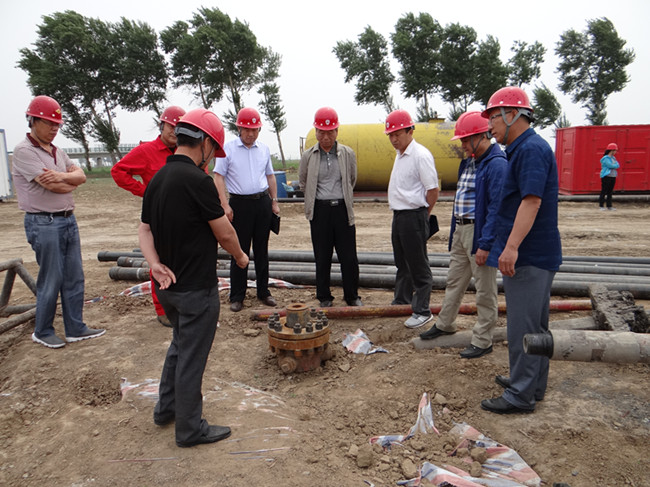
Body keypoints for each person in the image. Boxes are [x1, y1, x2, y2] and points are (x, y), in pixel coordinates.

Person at [138, 108, 249, 447]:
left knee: (179, 345)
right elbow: (224, 232)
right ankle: (189, 429)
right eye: (213, 150)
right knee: (192, 357)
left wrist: (154, 264)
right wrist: (241, 257)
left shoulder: (158, 178)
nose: (212, 157)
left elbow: (145, 230)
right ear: (204, 143)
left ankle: (166, 409)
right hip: (196, 290)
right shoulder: (198, 181)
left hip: (168, 286)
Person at [479, 86, 562, 414]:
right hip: (537, 254)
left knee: (523, 328)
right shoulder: (524, 148)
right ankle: (531, 383)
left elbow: (531, 201)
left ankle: (521, 394)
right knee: (536, 326)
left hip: (529, 256)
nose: (490, 126)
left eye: (493, 118)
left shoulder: (529, 150)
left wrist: (511, 248)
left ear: (512, 114)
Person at [11, 95, 105, 349]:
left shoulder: (57, 151)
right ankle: (42, 330)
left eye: (57, 124)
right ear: (33, 120)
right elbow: (54, 186)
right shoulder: (24, 151)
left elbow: (80, 177)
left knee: (74, 276)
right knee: (51, 278)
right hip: (43, 222)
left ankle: (75, 327)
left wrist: (64, 177)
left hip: (67, 219)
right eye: (49, 123)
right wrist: (68, 180)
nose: (54, 128)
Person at [419, 111, 506, 359]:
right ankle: (446, 323)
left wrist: (486, 243)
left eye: (466, 140)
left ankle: (483, 340)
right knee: (455, 280)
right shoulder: (468, 162)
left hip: (479, 232)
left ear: (482, 136)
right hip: (460, 229)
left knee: (485, 289)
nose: (463, 145)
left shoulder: (497, 164)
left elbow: (496, 208)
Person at [111, 105, 186, 327]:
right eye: (171, 126)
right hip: (157, 216)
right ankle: (162, 309)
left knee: (182, 260)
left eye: (179, 128)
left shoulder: (184, 152)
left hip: (183, 215)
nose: (174, 131)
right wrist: (146, 192)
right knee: (158, 261)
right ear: (162, 125)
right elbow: (118, 171)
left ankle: (181, 303)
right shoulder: (146, 151)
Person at [213, 107, 279, 312]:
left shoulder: (264, 149)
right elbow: (218, 177)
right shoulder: (227, 149)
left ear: (259, 130)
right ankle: (237, 295)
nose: (250, 133)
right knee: (238, 249)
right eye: (246, 129)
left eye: (254, 129)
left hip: (262, 203)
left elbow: (270, 176)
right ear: (239, 129)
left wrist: (274, 201)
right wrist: (224, 205)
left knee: (262, 249)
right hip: (239, 205)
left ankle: (263, 291)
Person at [299, 107, 362, 308]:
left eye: (330, 132)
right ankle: (324, 296)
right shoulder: (309, 156)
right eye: (321, 132)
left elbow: (352, 179)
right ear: (316, 131)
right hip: (320, 211)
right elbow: (303, 182)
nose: (326, 137)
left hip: (342, 210)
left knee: (348, 257)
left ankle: (352, 295)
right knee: (322, 256)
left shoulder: (347, 153)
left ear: (337, 131)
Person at [385, 110, 439, 328]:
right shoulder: (400, 155)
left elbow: (432, 190)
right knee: (402, 262)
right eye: (390, 135)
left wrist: (423, 215)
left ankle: (422, 310)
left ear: (410, 131)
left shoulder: (420, 155)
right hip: (399, 215)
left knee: (418, 265)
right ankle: (402, 301)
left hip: (414, 214)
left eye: (397, 134)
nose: (393, 139)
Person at [599, 142, 620, 211]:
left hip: (613, 176)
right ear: (611, 150)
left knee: (610, 192)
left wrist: (614, 165)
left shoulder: (613, 158)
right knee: (604, 191)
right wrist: (614, 165)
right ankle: (601, 206)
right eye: (615, 150)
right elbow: (610, 165)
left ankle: (609, 206)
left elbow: (617, 165)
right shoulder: (605, 158)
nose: (615, 152)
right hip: (606, 176)